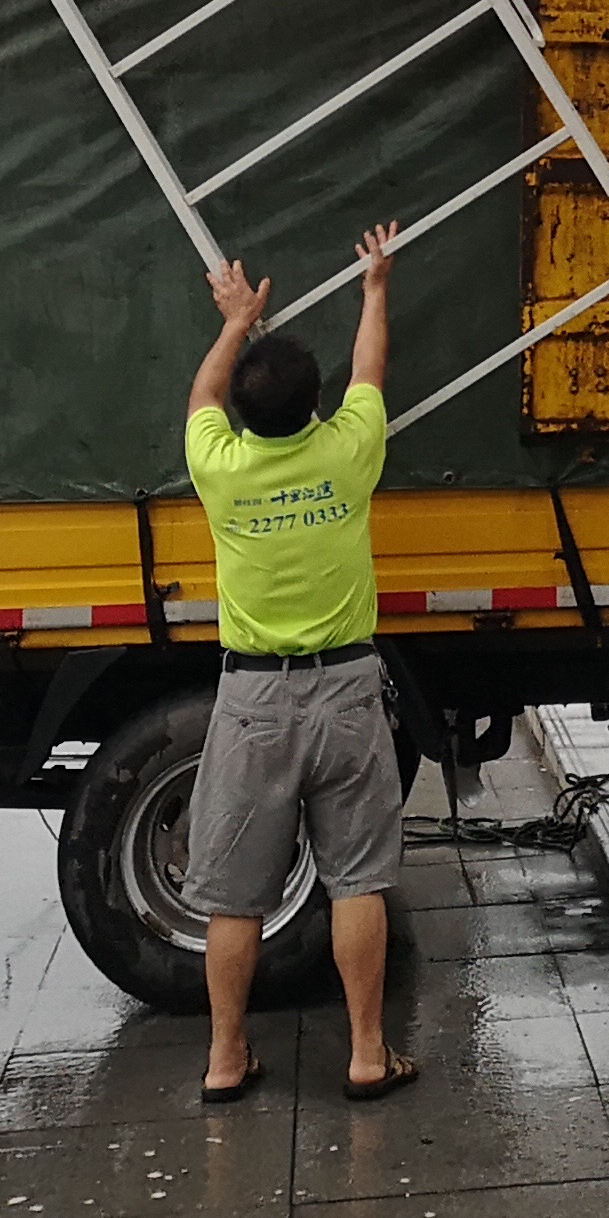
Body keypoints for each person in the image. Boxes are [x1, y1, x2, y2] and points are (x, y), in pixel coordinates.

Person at [181, 226, 419, 1106]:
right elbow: (371, 371)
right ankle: (367, 1054)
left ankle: (225, 1059)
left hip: (253, 699)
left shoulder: (220, 468)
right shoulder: (347, 453)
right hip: (347, 691)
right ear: (316, 403)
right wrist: (374, 287)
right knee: (357, 880)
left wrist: (235, 322)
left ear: (243, 416)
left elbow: (202, 395)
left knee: (236, 897)